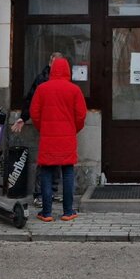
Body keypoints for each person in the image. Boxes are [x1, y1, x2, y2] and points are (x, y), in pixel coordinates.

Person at [29, 56, 87, 222]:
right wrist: (73, 129)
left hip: (48, 138)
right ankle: (68, 211)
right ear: (68, 71)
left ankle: (46, 213)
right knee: (67, 172)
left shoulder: (42, 89)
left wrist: (43, 128)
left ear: (52, 70)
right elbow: (81, 115)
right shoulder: (74, 90)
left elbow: (34, 113)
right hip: (67, 137)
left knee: (46, 172)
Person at [13, 52, 62, 204]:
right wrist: (24, 117)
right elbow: (32, 100)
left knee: (58, 159)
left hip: (59, 126)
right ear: (50, 63)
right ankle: (39, 194)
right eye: (54, 63)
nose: (56, 66)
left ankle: (52, 191)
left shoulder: (63, 80)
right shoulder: (42, 79)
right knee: (45, 160)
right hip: (47, 125)